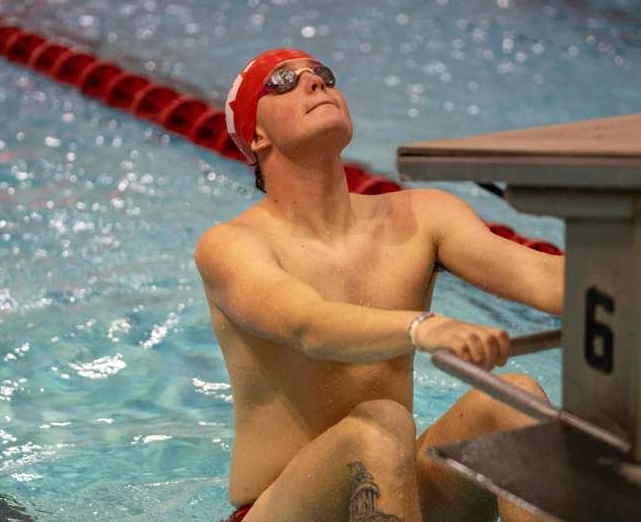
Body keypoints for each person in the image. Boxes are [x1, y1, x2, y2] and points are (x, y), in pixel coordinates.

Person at [194, 48, 565, 522]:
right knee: (380, 425)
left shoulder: (422, 215)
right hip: (285, 509)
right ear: (256, 134)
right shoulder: (231, 245)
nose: (316, 84)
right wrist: (422, 328)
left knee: (514, 399)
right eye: (285, 81)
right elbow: (308, 324)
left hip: (395, 494)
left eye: (323, 75)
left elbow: (546, 278)